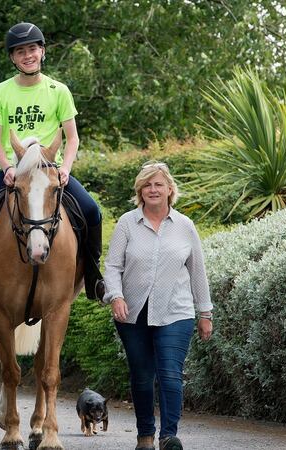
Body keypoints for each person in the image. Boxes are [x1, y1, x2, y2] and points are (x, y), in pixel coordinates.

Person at [0, 22, 105, 300]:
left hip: (49, 172)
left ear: (42, 51)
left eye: (32, 49)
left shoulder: (58, 90)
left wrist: (65, 168)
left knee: (91, 211)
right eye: (20, 52)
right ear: (12, 58)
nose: (27, 55)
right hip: (14, 173)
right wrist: (7, 168)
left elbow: (72, 138)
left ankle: (94, 277)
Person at [102, 161, 214, 450]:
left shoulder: (185, 226)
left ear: (169, 190)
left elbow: (197, 271)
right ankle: (145, 435)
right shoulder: (127, 223)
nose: (153, 189)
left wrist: (205, 313)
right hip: (132, 313)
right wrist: (115, 296)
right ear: (140, 190)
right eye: (147, 185)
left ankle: (169, 436)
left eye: (158, 184)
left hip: (176, 312)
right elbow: (113, 266)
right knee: (141, 376)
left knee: (170, 373)